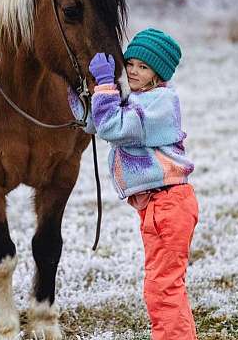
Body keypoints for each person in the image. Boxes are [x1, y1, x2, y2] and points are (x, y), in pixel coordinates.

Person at [69, 28, 198, 340]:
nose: (134, 71)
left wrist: (104, 86)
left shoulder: (159, 104)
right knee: (164, 285)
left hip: (169, 205)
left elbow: (112, 126)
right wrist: (74, 89)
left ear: (158, 73)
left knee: (163, 288)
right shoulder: (141, 100)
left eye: (144, 67)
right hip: (157, 206)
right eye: (131, 64)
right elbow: (95, 121)